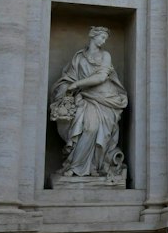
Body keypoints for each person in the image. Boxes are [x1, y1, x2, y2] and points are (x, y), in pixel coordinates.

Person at [49, 27, 128, 179]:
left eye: (105, 39)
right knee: (81, 125)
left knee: (93, 129)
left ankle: (87, 166)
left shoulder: (105, 55)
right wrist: (69, 88)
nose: (104, 41)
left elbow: (101, 78)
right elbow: (68, 78)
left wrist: (77, 85)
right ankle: (79, 165)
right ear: (93, 36)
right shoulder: (79, 57)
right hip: (85, 97)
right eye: (102, 37)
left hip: (105, 98)